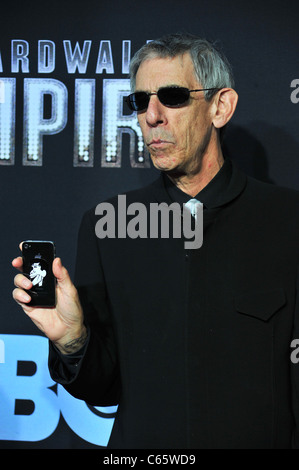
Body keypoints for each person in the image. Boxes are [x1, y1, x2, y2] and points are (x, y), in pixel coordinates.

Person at [12, 33, 299, 449]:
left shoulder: (288, 220)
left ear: (221, 107)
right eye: (140, 101)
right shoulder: (106, 226)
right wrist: (72, 340)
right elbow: (102, 389)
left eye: (172, 96)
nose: (152, 116)